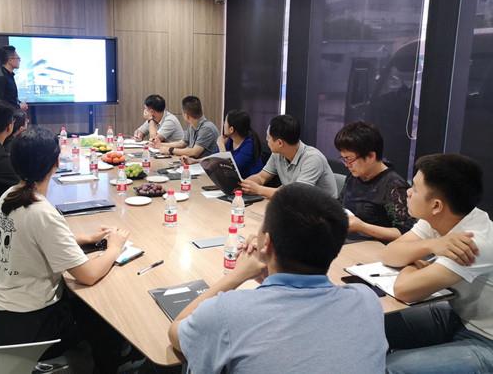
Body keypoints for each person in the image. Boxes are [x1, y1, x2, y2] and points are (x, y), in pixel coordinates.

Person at [168, 183, 387, 374]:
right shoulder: (366, 300)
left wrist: (239, 273)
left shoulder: (225, 313)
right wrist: (273, 275)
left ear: (267, 244)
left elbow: (176, 331)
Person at [0, 126, 135, 372]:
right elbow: (88, 275)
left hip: (1, 316)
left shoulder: (10, 195)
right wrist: (114, 248)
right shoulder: (41, 211)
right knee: (103, 311)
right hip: (32, 328)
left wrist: (84, 237)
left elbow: (33, 238)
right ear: (55, 163)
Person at [381, 154, 493, 373]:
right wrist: (432, 245)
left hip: (486, 339)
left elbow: (404, 290)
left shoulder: (472, 243)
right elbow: (389, 254)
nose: (408, 192)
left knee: (391, 369)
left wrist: (412, 260)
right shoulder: (442, 219)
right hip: (458, 317)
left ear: (436, 205)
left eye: (414, 188)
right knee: (369, 325)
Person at [334, 121, 414, 242]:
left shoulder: (394, 186)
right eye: (343, 159)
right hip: (347, 241)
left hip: (374, 247)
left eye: (349, 159)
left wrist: (362, 227)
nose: (346, 165)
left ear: (371, 156)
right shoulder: (354, 176)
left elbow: (405, 233)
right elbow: (340, 204)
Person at [240, 115, 337, 198]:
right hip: (297, 205)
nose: (266, 140)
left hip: (322, 209)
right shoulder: (277, 154)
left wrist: (258, 189)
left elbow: (296, 194)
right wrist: (246, 184)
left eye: (268, 137)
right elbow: (262, 177)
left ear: (280, 143)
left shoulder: (312, 158)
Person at [154, 96, 219, 158]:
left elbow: (194, 152)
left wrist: (170, 150)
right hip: (194, 162)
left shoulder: (207, 128)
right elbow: (182, 143)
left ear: (186, 115)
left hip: (205, 164)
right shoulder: (192, 126)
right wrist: (160, 145)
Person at [0, 45, 28, 111]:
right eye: (18, 58)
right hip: (6, 116)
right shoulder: (0, 77)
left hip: (12, 115)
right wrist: (18, 106)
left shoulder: (9, 75)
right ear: (10, 60)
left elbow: (10, 99)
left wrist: (19, 103)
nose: (19, 60)